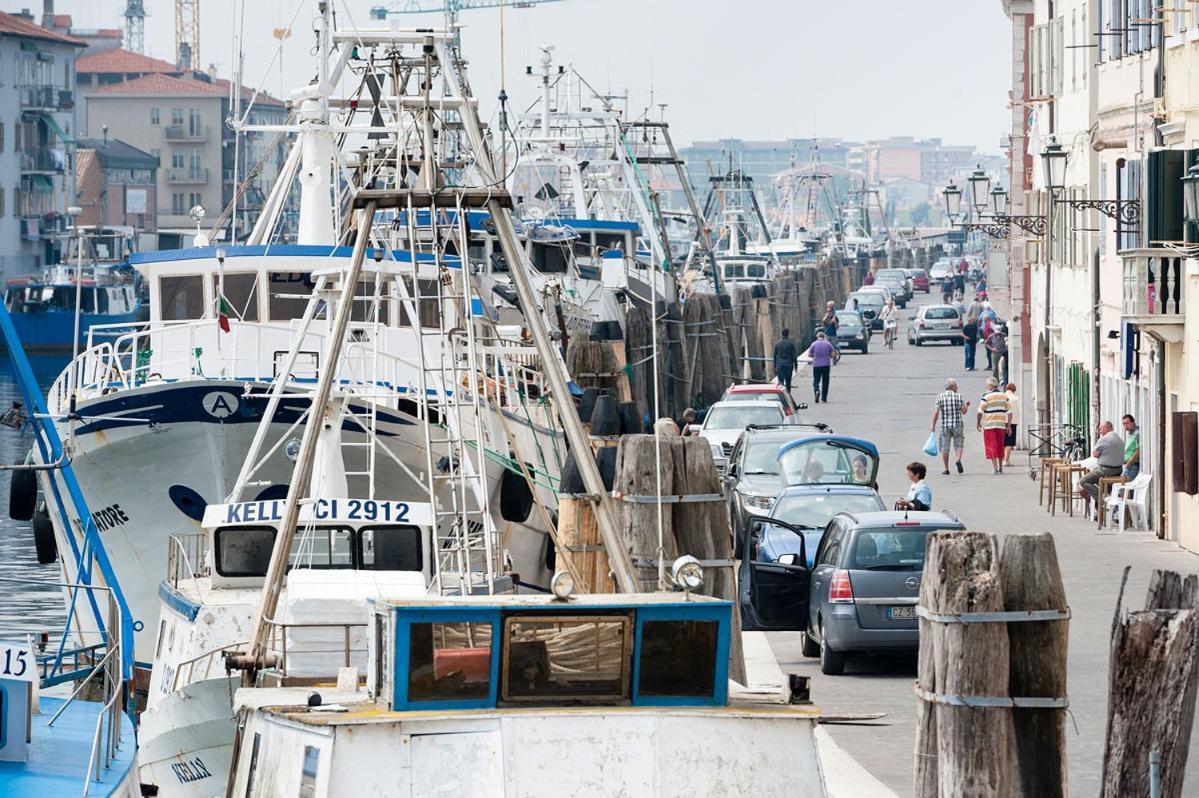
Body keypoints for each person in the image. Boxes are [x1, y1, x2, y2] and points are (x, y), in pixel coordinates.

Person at [1078, 421, 1124, 512]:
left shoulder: (1105, 438)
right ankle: (1103, 502)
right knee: (1090, 485)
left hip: (1106, 469)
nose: (1100, 431)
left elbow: (1095, 454)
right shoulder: (1119, 439)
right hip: (1118, 469)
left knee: (1083, 480)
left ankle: (1101, 500)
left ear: (1107, 428)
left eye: (1101, 428)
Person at [931, 378, 969, 475]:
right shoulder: (959, 396)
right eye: (956, 386)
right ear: (952, 387)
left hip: (945, 426)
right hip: (957, 424)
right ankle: (958, 459)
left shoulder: (940, 397)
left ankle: (946, 468)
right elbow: (963, 412)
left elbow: (936, 412)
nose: (957, 388)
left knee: (945, 447)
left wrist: (933, 425)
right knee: (959, 444)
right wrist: (967, 406)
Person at [976, 377, 1012, 475]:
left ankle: (995, 468)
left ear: (991, 386)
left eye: (987, 385)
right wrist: (1008, 426)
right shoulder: (1004, 396)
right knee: (1000, 446)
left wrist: (978, 422)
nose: (986, 387)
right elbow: (1009, 412)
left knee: (991, 446)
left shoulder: (986, 397)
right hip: (1001, 425)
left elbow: (979, 411)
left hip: (989, 425)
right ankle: (1000, 467)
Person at [802, 331, 839, 403]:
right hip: (826, 365)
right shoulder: (828, 344)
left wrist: (815, 356)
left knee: (816, 381)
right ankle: (824, 398)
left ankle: (817, 390)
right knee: (825, 381)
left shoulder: (814, 344)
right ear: (824, 337)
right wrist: (828, 356)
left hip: (816, 365)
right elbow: (833, 354)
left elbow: (809, 354)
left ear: (817, 337)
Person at [772, 328, 799, 395]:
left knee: (780, 381)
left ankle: (781, 395)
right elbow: (794, 356)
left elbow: (775, 355)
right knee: (788, 381)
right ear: (788, 333)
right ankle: (788, 393)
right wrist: (796, 366)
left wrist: (774, 365)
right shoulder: (791, 343)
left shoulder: (777, 343)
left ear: (782, 333)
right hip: (789, 364)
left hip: (780, 364)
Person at [962, 295, 982, 371]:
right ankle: (969, 366)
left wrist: (968, 317)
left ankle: (970, 366)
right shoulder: (980, 305)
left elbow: (969, 311)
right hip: (978, 320)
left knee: (970, 354)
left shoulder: (972, 304)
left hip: (972, 341)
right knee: (970, 354)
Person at [1003, 382, 1019, 466]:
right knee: (1009, 442)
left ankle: (1002, 459)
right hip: (1012, 422)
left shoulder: (1003, 397)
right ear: (1014, 390)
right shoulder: (1014, 398)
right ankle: (1006, 460)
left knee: (1003, 441)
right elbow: (1015, 412)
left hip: (1002, 421)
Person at [979, 303, 998, 371]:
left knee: (991, 353)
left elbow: (996, 331)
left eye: (984, 320)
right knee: (988, 353)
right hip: (987, 339)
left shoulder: (990, 323)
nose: (984, 321)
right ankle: (990, 364)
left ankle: (992, 365)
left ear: (987, 319)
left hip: (991, 340)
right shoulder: (991, 315)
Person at [1121, 414, 1140, 480]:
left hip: (1133, 466)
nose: (1125, 425)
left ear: (1133, 422)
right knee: (1123, 486)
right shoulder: (1130, 433)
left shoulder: (1137, 434)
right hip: (1128, 465)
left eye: (1127, 423)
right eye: (1124, 423)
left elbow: (1138, 452)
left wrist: (1128, 464)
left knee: (1126, 487)